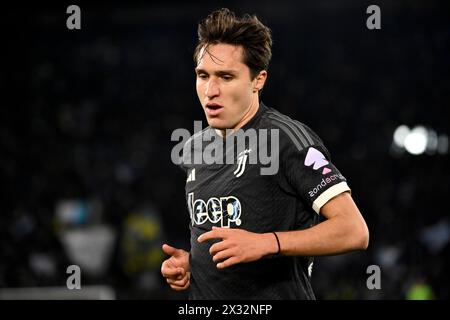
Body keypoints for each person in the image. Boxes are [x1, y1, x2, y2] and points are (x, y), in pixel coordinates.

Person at [161, 8, 369, 299]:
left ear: (258, 80)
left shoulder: (287, 140)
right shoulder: (194, 149)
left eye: (226, 77)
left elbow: (353, 230)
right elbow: (223, 238)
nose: (211, 90)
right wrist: (192, 265)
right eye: (203, 75)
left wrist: (267, 243)